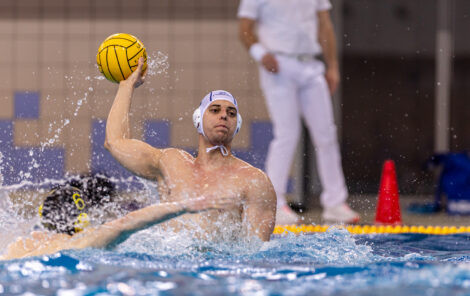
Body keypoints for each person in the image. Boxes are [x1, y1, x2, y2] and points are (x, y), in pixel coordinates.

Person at [104, 58, 276, 241]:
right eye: (215, 110)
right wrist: (126, 85)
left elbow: (255, 252)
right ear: (198, 120)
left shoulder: (254, 181)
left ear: (237, 124)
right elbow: (115, 142)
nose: (224, 116)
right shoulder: (170, 163)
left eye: (231, 113)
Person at [237, 0, 360, 225]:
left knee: (326, 134)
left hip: (311, 66)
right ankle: (273, 202)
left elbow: (325, 25)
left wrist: (332, 66)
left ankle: (335, 203)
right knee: (287, 133)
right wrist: (261, 54)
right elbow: (244, 28)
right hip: (278, 65)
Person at [0, 184, 234, 260]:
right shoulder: (86, 239)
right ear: (82, 219)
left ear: (44, 216)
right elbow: (128, 222)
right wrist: (185, 206)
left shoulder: (19, 244)